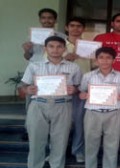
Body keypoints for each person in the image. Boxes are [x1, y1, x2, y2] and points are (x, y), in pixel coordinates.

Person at [21, 36, 82, 168]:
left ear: (64, 49)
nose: (55, 50)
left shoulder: (74, 67)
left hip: (63, 105)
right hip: (38, 105)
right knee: (36, 141)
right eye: (51, 46)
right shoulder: (34, 65)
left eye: (59, 46)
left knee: (60, 141)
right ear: (45, 48)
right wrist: (27, 89)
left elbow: (79, 88)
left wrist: (75, 90)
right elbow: (22, 86)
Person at [79, 47, 120, 168]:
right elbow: (81, 92)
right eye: (101, 57)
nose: (105, 61)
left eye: (108, 58)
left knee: (112, 145)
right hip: (92, 112)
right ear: (96, 60)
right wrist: (83, 95)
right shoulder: (88, 76)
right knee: (91, 144)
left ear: (114, 60)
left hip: (114, 113)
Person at [64, 17, 89, 163]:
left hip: (81, 89)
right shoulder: (58, 45)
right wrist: (65, 59)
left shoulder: (89, 46)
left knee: (80, 122)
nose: (75, 28)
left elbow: (94, 67)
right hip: (62, 89)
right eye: (72, 25)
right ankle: (57, 150)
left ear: (83, 29)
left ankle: (78, 150)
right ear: (67, 27)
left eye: (79, 26)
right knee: (59, 123)